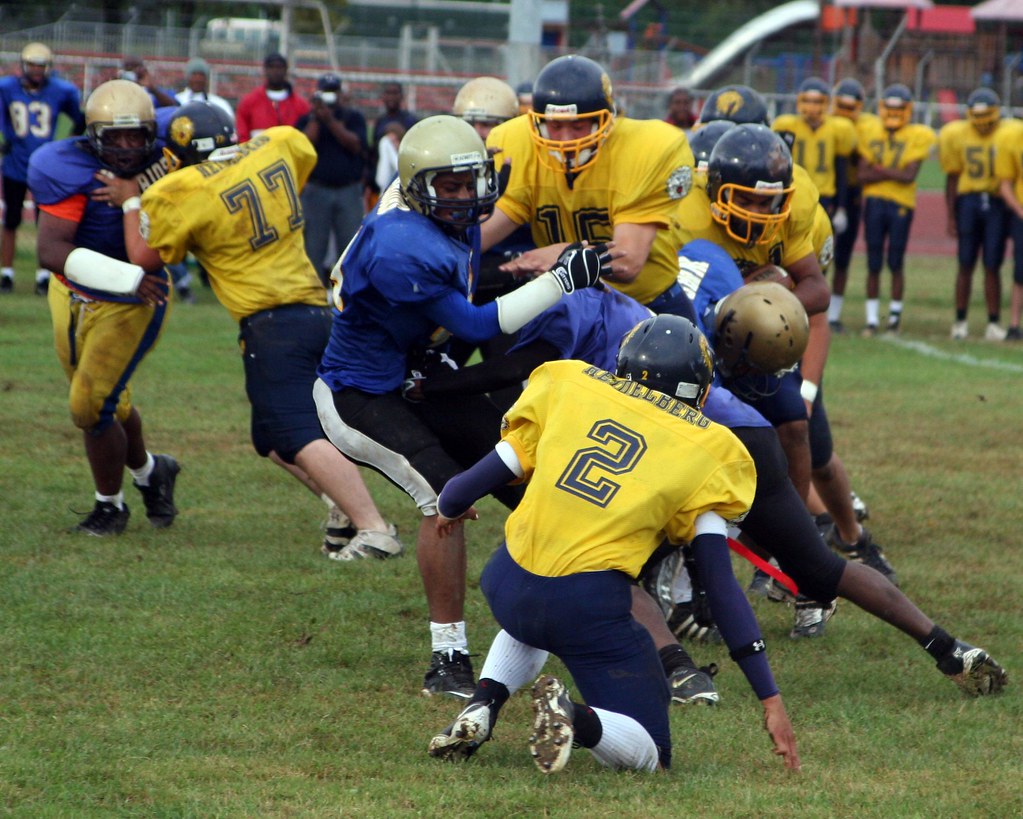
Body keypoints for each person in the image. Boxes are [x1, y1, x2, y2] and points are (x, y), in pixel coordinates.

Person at [413, 261, 1009, 703]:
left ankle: (678, 669)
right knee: (819, 568)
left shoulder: (584, 308)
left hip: (691, 442)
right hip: (739, 435)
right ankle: (948, 647)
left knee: (605, 558)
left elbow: (517, 367)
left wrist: (432, 388)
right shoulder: (682, 308)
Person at [312, 114, 616, 698]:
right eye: (447, 186)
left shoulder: (442, 216)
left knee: (531, 478)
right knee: (445, 496)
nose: (463, 196)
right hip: (360, 393)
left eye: (468, 182)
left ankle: (593, 613)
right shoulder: (401, 244)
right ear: (418, 187)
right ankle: (448, 657)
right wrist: (559, 280)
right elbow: (477, 323)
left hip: (420, 377)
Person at [426, 314, 801, 773]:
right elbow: (721, 589)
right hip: (584, 604)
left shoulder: (569, 384)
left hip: (508, 581)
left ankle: (483, 703)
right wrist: (770, 697)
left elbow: (461, 490)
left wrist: (450, 508)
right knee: (653, 753)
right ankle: (572, 715)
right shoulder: (712, 451)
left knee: (534, 619)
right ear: (699, 391)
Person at [98, 101, 399, 560]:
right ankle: (341, 509)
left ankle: (375, 530)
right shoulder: (278, 143)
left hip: (273, 323)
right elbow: (299, 161)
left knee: (296, 432)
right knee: (271, 438)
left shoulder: (178, 190)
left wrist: (131, 199)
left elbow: (143, 256)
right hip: (315, 312)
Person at [27, 79, 179, 535]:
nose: (128, 148)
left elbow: (199, 129)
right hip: (71, 291)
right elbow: (51, 251)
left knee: (88, 405)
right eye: (116, 137)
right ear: (93, 135)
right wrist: (126, 275)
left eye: (136, 136)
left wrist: (137, 189)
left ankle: (109, 506)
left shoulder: (171, 143)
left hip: (136, 300)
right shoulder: (65, 166)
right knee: (108, 401)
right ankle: (151, 472)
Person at [677, 123, 830, 503]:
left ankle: (794, 531)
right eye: (746, 200)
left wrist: (763, 302)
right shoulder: (684, 214)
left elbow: (817, 287)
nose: (759, 213)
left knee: (795, 426)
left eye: (767, 203)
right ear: (715, 189)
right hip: (695, 330)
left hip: (755, 338)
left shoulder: (793, 213)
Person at [483, 54, 697, 319]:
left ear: (604, 121)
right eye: (555, 125)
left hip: (645, 303)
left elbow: (627, 261)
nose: (566, 139)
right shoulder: (517, 143)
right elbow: (480, 236)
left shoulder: (645, 149)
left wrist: (563, 254)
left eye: (578, 125)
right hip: (567, 301)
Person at [0, 42, 85, 296]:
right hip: (15, 163)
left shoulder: (61, 90)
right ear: (23, 65)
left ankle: (44, 275)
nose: (37, 70)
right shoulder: (7, 88)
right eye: (33, 65)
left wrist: (66, 145)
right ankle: (6, 273)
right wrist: (6, 138)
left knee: (45, 222)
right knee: (11, 219)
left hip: (44, 166)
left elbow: (80, 120)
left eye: (41, 65)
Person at [857, 83, 936, 336]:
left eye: (898, 108)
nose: (893, 113)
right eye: (889, 108)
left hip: (901, 204)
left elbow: (908, 176)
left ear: (907, 109)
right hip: (874, 202)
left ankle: (893, 318)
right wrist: (893, 172)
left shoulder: (917, 134)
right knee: (873, 262)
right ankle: (872, 320)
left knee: (895, 261)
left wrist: (879, 169)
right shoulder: (870, 130)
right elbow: (862, 174)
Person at [938, 87, 1009, 341]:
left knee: (993, 264)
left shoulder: (1007, 134)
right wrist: (951, 215)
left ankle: (993, 322)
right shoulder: (957, 134)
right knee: (965, 263)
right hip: (968, 201)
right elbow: (952, 178)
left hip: (996, 202)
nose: (982, 122)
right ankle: (960, 321)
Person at [296, 73, 368, 287]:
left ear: (339, 93)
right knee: (313, 248)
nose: (329, 97)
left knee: (350, 248)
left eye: (333, 92)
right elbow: (304, 146)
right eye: (325, 92)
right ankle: (313, 294)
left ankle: (348, 293)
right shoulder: (307, 119)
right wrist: (317, 117)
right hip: (317, 190)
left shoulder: (353, 117)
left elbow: (355, 145)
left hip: (348, 190)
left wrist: (330, 120)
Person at [771, 77, 855, 242]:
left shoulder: (839, 128)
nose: (812, 106)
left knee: (821, 242)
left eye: (817, 101)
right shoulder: (787, 126)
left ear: (826, 103)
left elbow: (841, 169)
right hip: (795, 192)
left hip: (824, 195)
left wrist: (841, 207)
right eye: (807, 100)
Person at [827, 78, 878, 333]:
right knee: (816, 258)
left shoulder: (867, 127)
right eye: (842, 106)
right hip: (826, 194)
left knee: (843, 257)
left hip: (852, 195)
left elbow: (867, 160)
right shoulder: (825, 123)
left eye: (851, 107)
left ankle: (833, 315)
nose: (846, 113)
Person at [993, 112, 1023, 340]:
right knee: (1020, 271)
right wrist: (1020, 211)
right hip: (1021, 212)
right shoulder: (1013, 138)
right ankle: (1014, 325)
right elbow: (1004, 184)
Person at [235, 53, 310, 142]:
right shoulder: (248, 102)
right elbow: (242, 135)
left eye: (279, 67)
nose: (275, 71)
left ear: (286, 70)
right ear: (265, 70)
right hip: (258, 150)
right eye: (271, 67)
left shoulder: (301, 105)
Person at [174, 57, 234, 121]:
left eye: (201, 75)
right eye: (194, 75)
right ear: (188, 77)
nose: (197, 79)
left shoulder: (219, 104)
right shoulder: (177, 100)